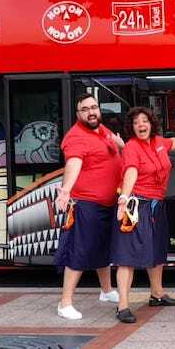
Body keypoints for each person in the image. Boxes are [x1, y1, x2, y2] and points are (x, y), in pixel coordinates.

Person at [110, 107, 175, 323]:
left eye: (144, 121)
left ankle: (157, 294)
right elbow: (131, 172)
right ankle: (123, 306)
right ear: (132, 128)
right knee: (126, 257)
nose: (141, 125)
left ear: (151, 123)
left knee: (157, 252)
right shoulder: (131, 148)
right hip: (136, 206)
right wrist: (124, 198)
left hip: (157, 206)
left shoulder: (159, 142)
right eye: (136, 122)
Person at [54, 94, 123, 321]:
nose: (91, 112)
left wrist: (121, 145)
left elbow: (115, 145)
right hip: (86, 204)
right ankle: (65, 303)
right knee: (80, 251)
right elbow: (73, 164)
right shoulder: (76, 137)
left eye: (94, 107)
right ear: (78, 114)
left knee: (102, 247)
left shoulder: (101, 129)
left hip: (107, 202)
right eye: (85, 109)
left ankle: (106, 290)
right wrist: (65, 190)